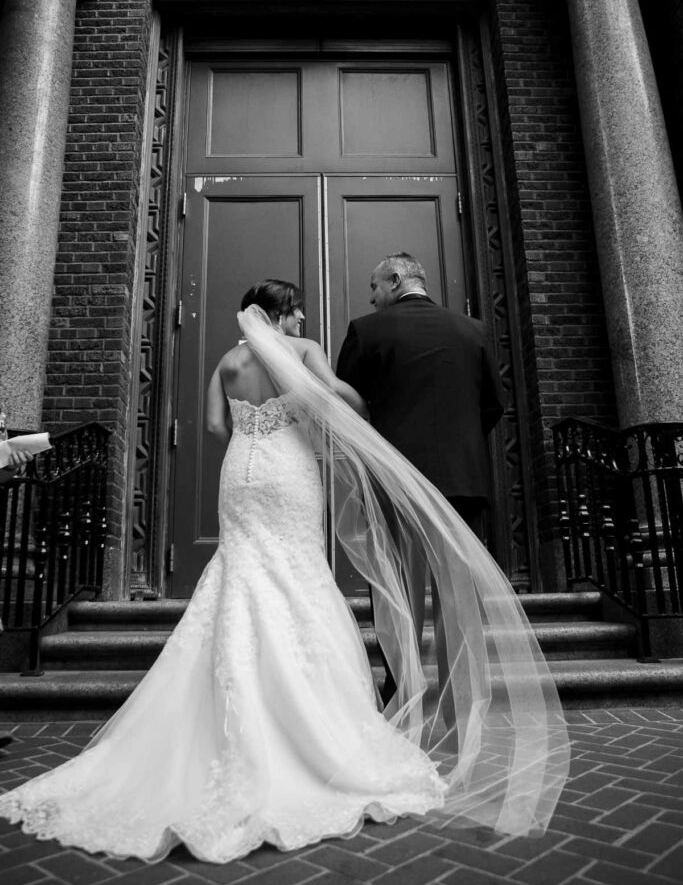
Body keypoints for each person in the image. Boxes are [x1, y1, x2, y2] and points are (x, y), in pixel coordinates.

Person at [0, 279, 569, 863]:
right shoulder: (303, 351)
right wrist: (354, 414)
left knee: (240, 570)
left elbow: (217, 427)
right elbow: (339, 396)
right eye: (296, 312)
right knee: (296, 574)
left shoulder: (228, 359)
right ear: (282, 313)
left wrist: (259, 426)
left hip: (242, 473)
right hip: (289, 471)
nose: (301, 320)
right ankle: (309, 717)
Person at [336, 253, 505, 698]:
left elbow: (345, 408)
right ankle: (462, 695)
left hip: (394, 483)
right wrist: (456, 449)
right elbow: (493, 405)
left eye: (375, 287)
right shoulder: (473, 330)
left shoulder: (366, 331)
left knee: (396, 588)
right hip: (461, 483)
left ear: (395, 280)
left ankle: (401, 690)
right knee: (456, 593)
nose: (372, 299)